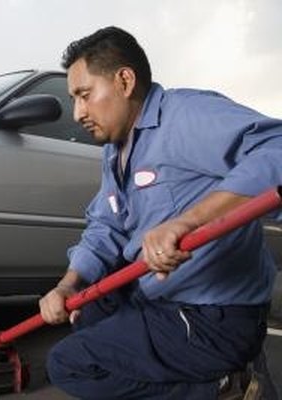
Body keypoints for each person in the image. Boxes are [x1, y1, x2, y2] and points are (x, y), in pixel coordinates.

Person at [40, 26, 282, 399]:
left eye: (85, 95)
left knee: (69, 364)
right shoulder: (117, 149)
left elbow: (277, 150)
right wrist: (67, 285)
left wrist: (189, 220)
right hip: (159, 297)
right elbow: (106, 225)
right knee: (88, 313)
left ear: (124, 80)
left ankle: (226, 386)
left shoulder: (184, 115)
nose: (78, 112)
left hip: (212, 317)